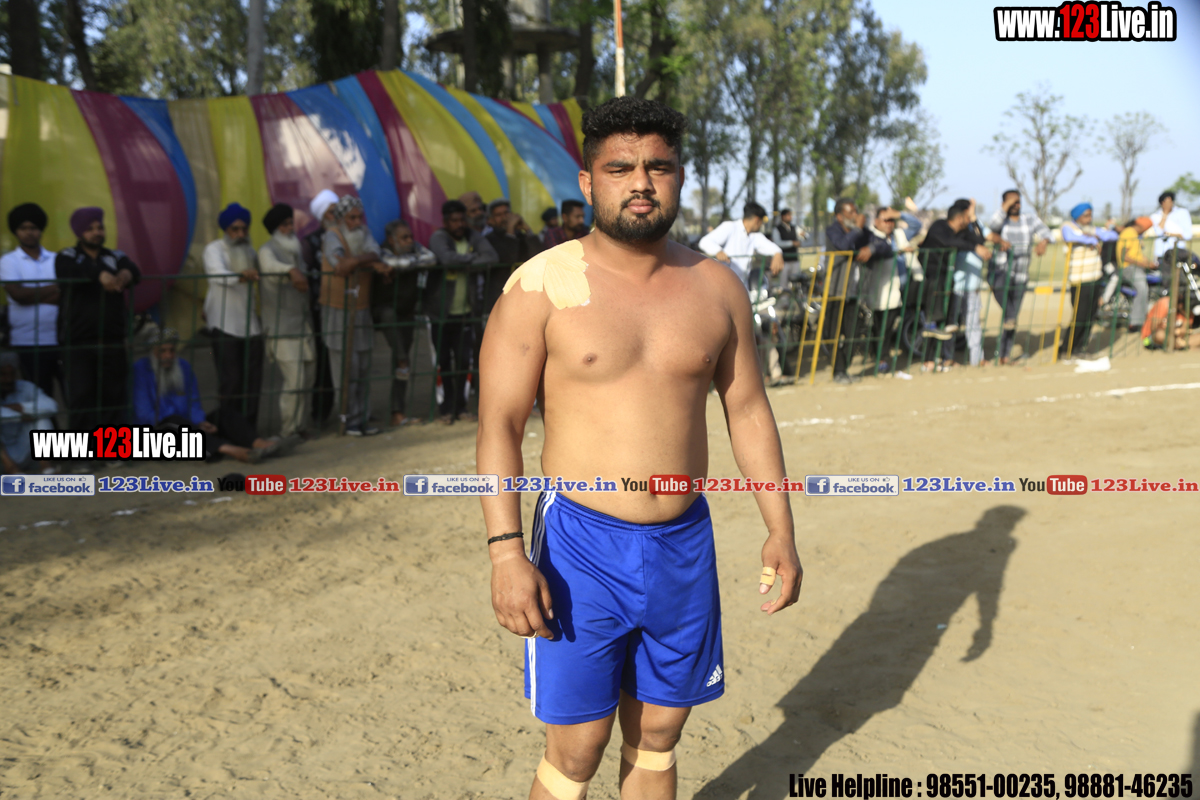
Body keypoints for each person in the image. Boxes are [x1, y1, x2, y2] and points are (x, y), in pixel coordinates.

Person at [478, 96, 801, 800]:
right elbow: (498, 425)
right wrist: (505, 554)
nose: (642, 183)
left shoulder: (717, 286)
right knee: (578, 748)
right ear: (588, 181)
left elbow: (747, 408)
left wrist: (780, 528)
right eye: (620, 168)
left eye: (659, 166)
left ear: (680, 176)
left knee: (658, 735)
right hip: (580, 547)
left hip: (684, 543)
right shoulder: (538, 287)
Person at [131, 329, 288, 463]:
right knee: (173, 421)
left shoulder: (183, 367)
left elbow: (194, 403)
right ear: (152, 352)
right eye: (162, 351)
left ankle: (258, 443)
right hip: (158, 434)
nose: (168, 356)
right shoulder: (140, 370)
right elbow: (145, 415)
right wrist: (189, 424)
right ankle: (230, 450)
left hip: (190, 427)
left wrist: (200, 421)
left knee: (225, 414)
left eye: (172, 351)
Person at [55, 207, 140, 431]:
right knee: (81, 399)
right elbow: (67, 271)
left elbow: (133, 270)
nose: (96, 232)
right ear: (79, 232)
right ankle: (82, 450)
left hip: (112, 341)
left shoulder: (115, 256)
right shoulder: (68, 256)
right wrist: (99, 275)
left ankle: (111, 447)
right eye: (90, 229)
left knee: (114, 398)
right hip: (79, 343)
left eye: (100, 227)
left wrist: (125, 275)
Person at [319, 195, 388, 436]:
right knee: (345, 369)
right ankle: (349, 420)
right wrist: (367, 263)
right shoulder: (332, 235)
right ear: (341, 219)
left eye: (359, 217)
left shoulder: (364, 232)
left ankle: (362, 418)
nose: (357, 222)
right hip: (337, 308)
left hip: (361, 307)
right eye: (352, 218)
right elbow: (339, 264)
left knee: (363, 366)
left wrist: (357, 261)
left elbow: (374, 253)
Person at [427, 199, 499, 424]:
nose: (459, 224)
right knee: (442, 363)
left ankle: (460, 407)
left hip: (467, 311)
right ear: (445, 221)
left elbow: (492, 257)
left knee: (463, 361)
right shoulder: (439, 237)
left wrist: (462, 263)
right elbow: (447, 259)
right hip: (440, 312)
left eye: (462, 220)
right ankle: (445, 409)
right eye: (454, 220)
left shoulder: (472, 236)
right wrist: (472, 260)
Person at [204, 202, 265, 433]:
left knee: (252, 382)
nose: (240, 234)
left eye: (244, 229)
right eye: (235, 229)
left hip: (251, 325)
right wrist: (241, 276)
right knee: (231, 381)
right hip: (223, 324)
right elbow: (217, 274)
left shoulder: (250, 251)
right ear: (226, 230)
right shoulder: (214, 249)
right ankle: (228, 431)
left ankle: (249, 431)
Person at [257, 203, 315, 439]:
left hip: (303, 325)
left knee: (307, 378)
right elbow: (270, 268)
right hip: (281, 328)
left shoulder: (296, 249)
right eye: (284, 225)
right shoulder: (267, 250)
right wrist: (291, 270)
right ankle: (288, 430)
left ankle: (300, 426)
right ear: (275, 228)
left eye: (291, 223)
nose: (290, 228)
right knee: (294, 381)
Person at [374, 219, 436, 426]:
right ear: (392, 240)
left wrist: (406, 263)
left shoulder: (414, 248)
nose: (410, 241)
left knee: (403, 365)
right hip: (384, 311)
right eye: (404, 238)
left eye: (410, 236)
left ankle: (397, 411)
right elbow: (389, 262)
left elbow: (431, 259)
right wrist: (409, 263)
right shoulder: (381, 251)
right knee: (400, 358)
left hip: (406, 312)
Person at [916, 199, 990, 372]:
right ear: (959, 218)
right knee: (933, 321)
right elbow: (948, 241)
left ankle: (944, 358)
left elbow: (979, 240)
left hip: (946, 279)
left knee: (948, 323)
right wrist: (974, 247)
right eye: (967, 217)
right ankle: (928, 361)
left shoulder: (961, 231)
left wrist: (973, 220)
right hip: (930, 278)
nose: (968, 220)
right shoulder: (939, 227)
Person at [2, 203, 60, 398]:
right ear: (15, 231)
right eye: (23, 228)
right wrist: (57, 287)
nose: (29, 233)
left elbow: (68, 295)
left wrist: (31, 294)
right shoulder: (8, 261)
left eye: (33, 227)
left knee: (74, 396)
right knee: (38, 399)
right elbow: (18, 296)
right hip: (27, 342)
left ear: (41, 229)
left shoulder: (56, 259)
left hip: (60, 339)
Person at [986, 190, 1050, 364]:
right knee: (1010, 313)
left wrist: (1043, 242)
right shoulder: (1001, 220)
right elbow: (992, 225)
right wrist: (1005, 207)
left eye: (1018, 201)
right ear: (1004, 203)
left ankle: (1004, 355)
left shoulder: (1030, 219)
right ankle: (1008, 324)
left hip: (1021, 274)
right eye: (1012, 202)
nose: (1016, 205)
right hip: (1000, 271)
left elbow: (1047, 232)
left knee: (1012, 318)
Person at [822, 199, 880, 384]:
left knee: (854, 333)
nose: (856, 215)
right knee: (831, 333)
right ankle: (839, 371)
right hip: (834, 291)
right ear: (840, 216)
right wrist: (858, 229)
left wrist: (871, 248)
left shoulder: (860, 232)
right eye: (851, 212)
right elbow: (843, 245)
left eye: (856, 211)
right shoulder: (833, 230)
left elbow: (880, 243)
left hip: (853, 292)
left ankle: (843, 369)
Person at [861, 207, 919, 375]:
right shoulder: (872, 236)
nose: (889, 224)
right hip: (878, 289)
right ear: (876, 221)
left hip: (897, 288)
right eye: (885, 220)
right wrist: (898, 250)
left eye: (891, 220)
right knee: (879, 328)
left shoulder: (898, 235)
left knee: (889, 327)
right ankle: (880, 359)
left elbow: (916, 225)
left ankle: (884, 357)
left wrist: (899, 214)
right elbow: (880, 249)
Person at [1060, 202, 1118, 358]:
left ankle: (1080, 348)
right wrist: (1091, 240)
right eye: (1086, 215)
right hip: (1079, 280)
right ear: (1078, 216)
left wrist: (1098, 234)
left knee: (1090, 316)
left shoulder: (1092, 229)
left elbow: (1111, 236)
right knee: (1079, 316)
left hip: (1095, 277)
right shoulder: (1068, 227)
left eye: (1091, 215)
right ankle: (1067, 349)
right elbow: (1070, 237)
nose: (1089, 218)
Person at [304, 189, 340, 427]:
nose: (335, 216)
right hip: (322, 309)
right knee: (325, 361)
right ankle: (320, 413)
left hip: (347, 305)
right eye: (331, 212)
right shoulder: (311, 242)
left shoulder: (347, 236)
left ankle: (353, 411)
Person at [698, 201, 784, 291]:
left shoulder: (754, 236)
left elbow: (770, 246)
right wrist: (718, 251)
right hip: (723, 286)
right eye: (761, 222)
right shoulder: (730, 227)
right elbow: (705, 242)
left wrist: (778, 253)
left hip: (742, 287)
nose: (761, 225)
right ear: (757, 220)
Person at [0, 350, 57, 474]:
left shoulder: (24, 387)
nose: (9, 379)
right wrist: (21, 416)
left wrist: (19, 407)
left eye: (12, 374)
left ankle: (46, 467)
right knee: (38, 414)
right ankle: (12, 470)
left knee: (42, 419)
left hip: (25, 452)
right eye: (3, 375)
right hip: (2, 459)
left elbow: (52, 406)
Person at [485, 198, 543, 314]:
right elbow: (508, 258)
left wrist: (527, 230)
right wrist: (510, 231)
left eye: (506, 213)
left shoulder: (520, 236)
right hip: (499, 297)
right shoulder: (488, 239)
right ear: (491, 220)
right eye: (499, 215)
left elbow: (539, 256)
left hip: (523, 296)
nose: (504, 218)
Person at [1114, 216, 1159, 333]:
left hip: (1137, 267)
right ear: (1141, 226)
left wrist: (1150, 263)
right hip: (1128, 268)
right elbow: (1125, 256)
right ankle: (1135, 322)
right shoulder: (1129, 233)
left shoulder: (1134, 234)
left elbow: (1137, 255)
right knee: (1142, 288)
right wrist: (1145, 264)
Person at [1148, 190, 1194, 264]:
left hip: (1178, 253)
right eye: (1166, 202)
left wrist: (1170, 234)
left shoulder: (1182, 213)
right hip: (1162, 254)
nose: (1169, 204)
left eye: (1170, 202)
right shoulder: (1155, 216)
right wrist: (1165, 215)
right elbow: (1158, 232)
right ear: (1162, 203)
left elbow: (1187, 235)